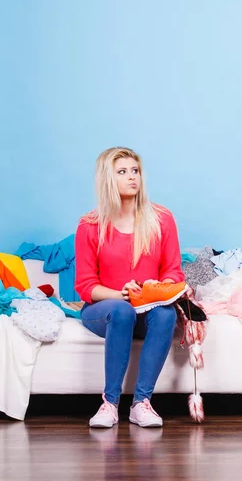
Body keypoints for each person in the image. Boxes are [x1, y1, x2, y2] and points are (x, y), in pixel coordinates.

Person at [75, 146, 186, 428]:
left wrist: (157, 286)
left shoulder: (162, 218)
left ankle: (141, 403)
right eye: (122, 172)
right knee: (122, 311)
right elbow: (86, 286)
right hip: (105, 309)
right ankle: (109, 404)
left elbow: (173, 272)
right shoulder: (90, 225)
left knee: (165, 314)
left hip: (148, 309)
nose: (131, 178)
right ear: (107, 179)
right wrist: (120, 294)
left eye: (134, 171)